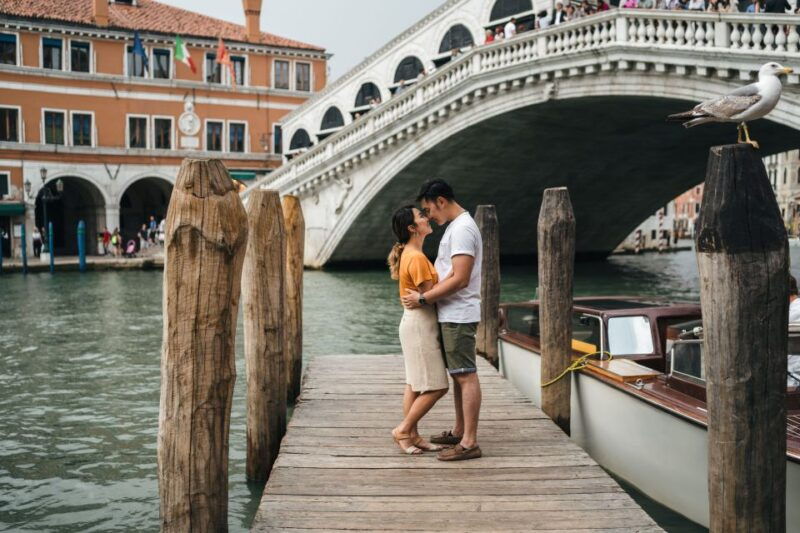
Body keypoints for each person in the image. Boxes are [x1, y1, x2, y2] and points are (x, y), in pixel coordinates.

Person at [401, 179, 483, 462]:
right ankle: (461, 431)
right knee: (460, 374)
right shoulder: (456, 228)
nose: (428, 216)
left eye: (428, 209)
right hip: (452, 312)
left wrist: (424, 299)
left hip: (459, 313)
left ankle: (469, 441)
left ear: (441, 201)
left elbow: (460, 278)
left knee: (466, 374)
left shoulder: (461, 229)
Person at [388, 206, 450, 455]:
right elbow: (431, 296)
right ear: (412, 228)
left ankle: (412, 436)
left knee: (414, 383)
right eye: (421, 216)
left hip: (413, 322)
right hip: (420, 324)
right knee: (437, 386)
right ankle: (403, 429)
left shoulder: (410, 254)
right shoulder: (416, 258)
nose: (427, 218)